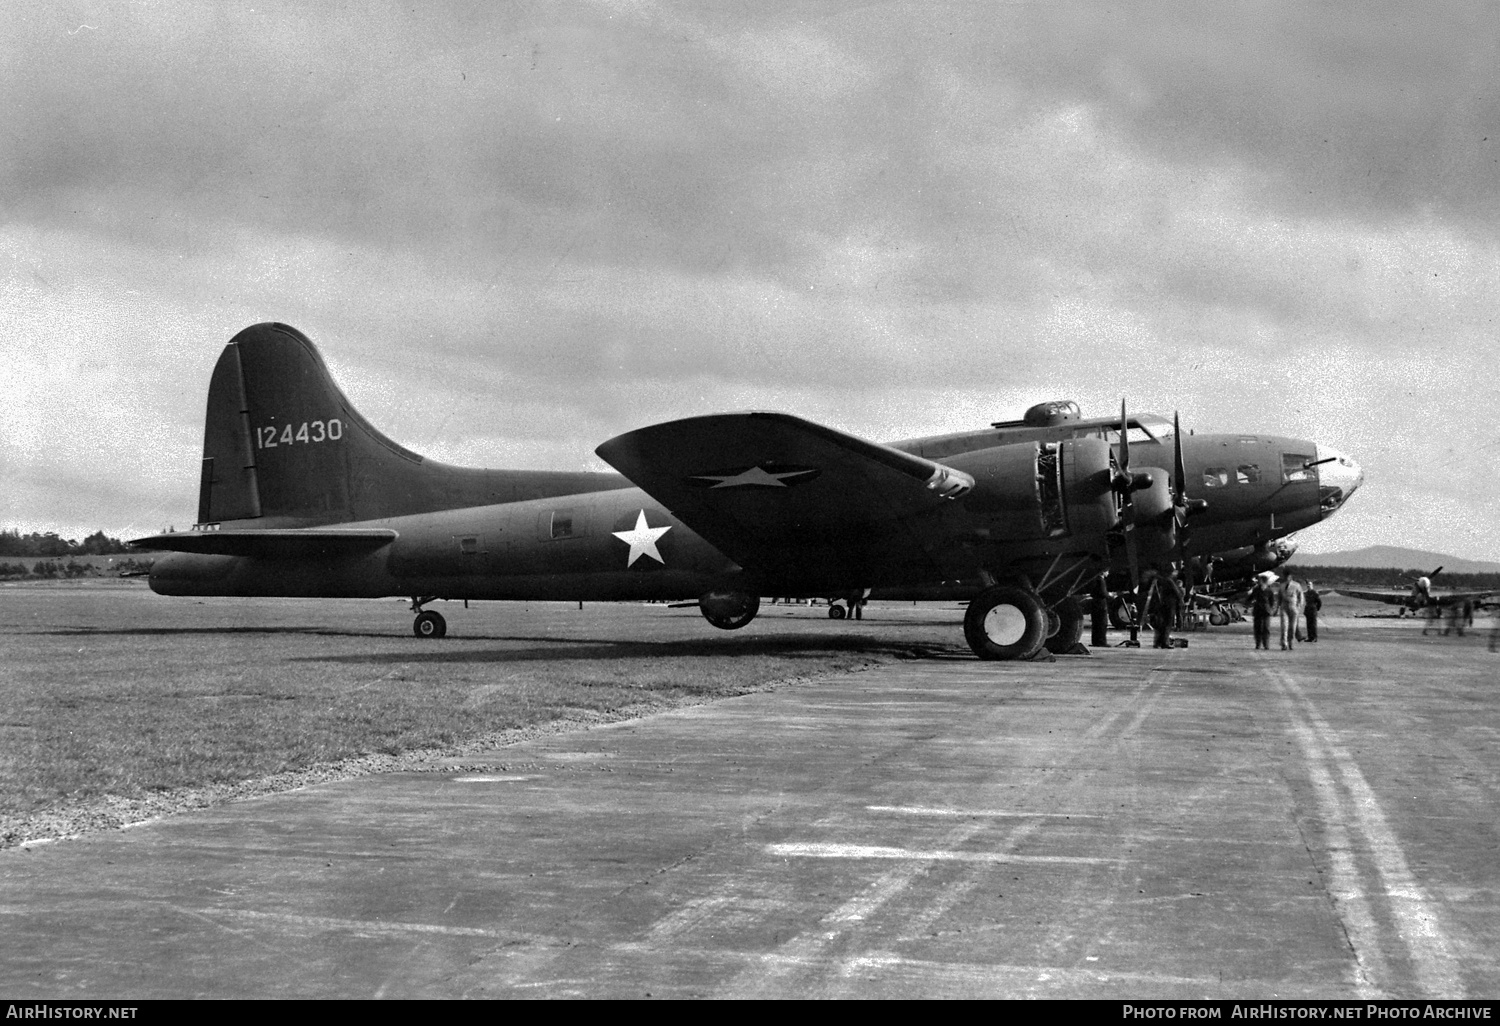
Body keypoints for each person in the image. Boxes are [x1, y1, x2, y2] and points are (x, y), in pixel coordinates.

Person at [1250, 572, 1279, 650]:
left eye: (1259, 580)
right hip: (1258, 611)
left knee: (1266, 628)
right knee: (1257, 628)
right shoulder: (1256, 589)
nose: (1258, 581)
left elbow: (1272, 601)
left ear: (1263, 580)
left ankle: (1266, 644)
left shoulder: (1269, 591)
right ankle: (1258, 644)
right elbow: (1250, 598)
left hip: (1266, 611)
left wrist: (1272, 609)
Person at [1279, 574, 1305, 650]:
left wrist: (1299, 607)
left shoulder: (1296, 585)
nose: (1286, 579)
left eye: (1288, 577)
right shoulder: (1282, 586)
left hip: (1293, 607)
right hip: (1284, 607)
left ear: (1290, 577)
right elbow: (1279, 597)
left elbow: (1301, 596)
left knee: (1292, 627)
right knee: (1284, 626)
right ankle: (1284, 644)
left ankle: (1291, 643)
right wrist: (1277, 607)